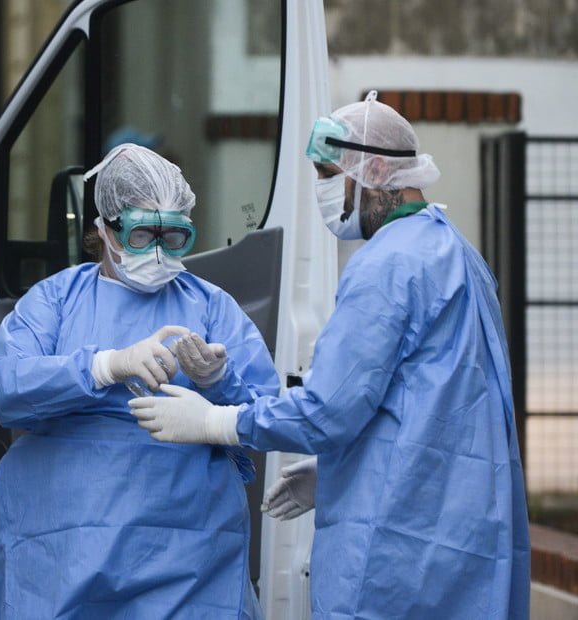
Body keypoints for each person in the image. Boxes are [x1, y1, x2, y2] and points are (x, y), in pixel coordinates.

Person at [129, 92, 530, 619]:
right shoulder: (457, 253)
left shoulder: (386, 265)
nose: (321, 191)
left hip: (399, 555)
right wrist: (345, 470)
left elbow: (327, 411)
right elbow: (436, 409)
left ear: (375, 170)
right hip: (462, 532)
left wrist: (216, 421)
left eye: (327, 174)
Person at [0, 143, 278, 618]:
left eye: (173, 236)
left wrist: (219, 381)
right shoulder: (55, 301)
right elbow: (5, 385)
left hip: (186, 552)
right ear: (104, 229)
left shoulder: (210, 306)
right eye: (141, 235)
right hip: (63, 544)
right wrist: (103, 366)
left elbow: (265, 415)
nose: (158, 251)